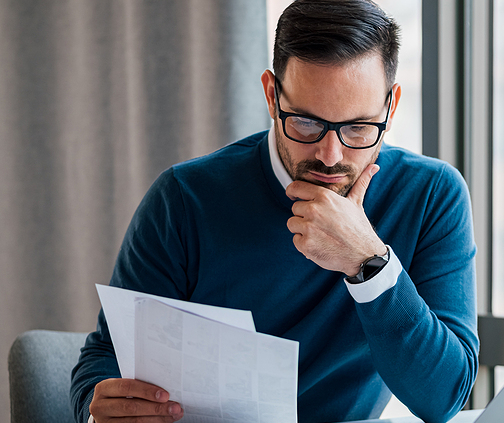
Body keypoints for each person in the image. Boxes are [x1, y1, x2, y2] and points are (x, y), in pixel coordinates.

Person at [69, 1, 479, 422]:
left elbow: (443, 398)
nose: (330, 154)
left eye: (358, 127)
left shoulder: (431, 195)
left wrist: (368, 264)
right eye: (306, 123)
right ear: (271, 95)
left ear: (391, 107)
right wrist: (98, 409)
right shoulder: (184, 199)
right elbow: (105, 358)